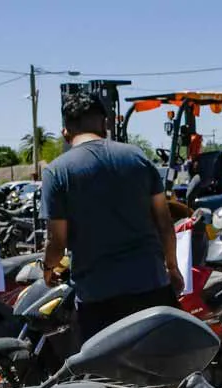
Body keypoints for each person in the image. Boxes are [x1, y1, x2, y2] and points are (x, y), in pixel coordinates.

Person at [42, 87, 185, 340]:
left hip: (99, 300)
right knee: (161, 370)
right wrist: (172, 268)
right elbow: (164, 223)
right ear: (105, 123)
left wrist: (48, 267)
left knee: (108, 377)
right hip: (152, 287)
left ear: (66, 131)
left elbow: (57, 241)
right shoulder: (137, 157)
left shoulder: (57, 172)